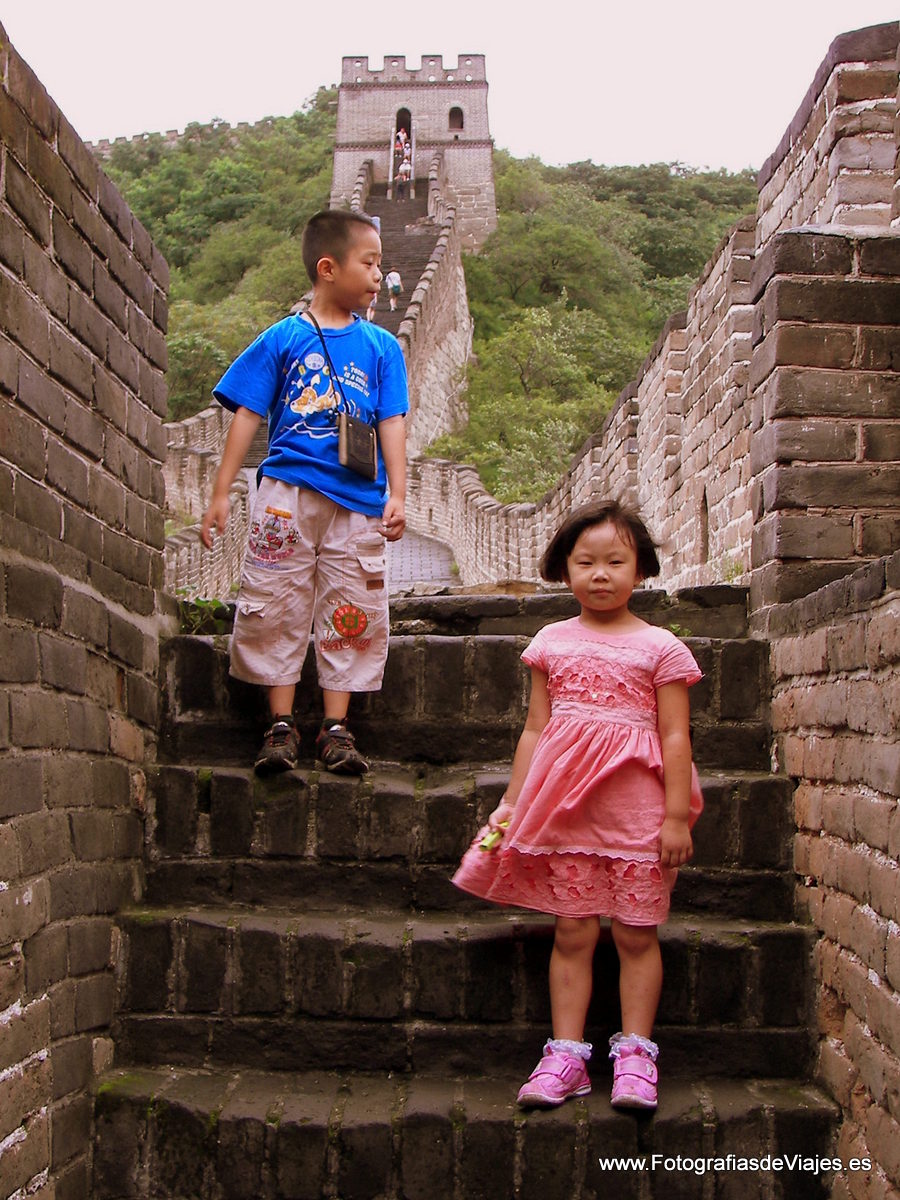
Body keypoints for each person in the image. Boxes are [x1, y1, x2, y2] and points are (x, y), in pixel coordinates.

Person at [453, 500, 703, 1111]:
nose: (600, 574)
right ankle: (566, 1056)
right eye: (585, 562)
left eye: (615, 561)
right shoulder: (551, 641)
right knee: (572, 930)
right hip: (567, 814)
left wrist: (675, 817)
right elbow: (536, 729)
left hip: (638, 817)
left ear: (640, 569)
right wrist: (512, 801)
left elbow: (675, 736)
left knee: (637, 935)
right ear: (564, 569)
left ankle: (637, 1054)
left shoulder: (661, 647)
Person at [200, 210, 408, 777]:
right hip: (284, 494)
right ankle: (281, 724)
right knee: (276, 601)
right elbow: (247, 415)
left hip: (358, 501)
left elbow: (391, 420)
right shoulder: (283, 337)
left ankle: (336, 728)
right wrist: (221, 493)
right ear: (328, 268)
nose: (378, 275)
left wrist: (398, 491)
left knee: (352, 605)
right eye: (369, 263)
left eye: (380, 265)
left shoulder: (382, 347)